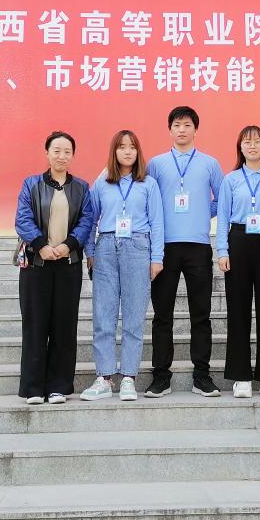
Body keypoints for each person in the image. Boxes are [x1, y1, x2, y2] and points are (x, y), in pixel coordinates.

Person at [145, 105, 224, 397]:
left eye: (187, 125)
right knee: (162, 315)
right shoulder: (156, 164)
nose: (182, 129)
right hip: (164, 247)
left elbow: (223, 199)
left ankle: (201, 376)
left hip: (198, 246)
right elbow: (146, 199)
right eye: (177, 125)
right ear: (169, 130)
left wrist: (203, 211)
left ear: (195, 130)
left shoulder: (210, 163)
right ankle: (160, 377)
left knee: (200, 315)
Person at [82, 130, 164, 402]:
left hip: (138, 247)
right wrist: (90, 251)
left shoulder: (148, 183)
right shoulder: (102, 182)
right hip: (106, 247)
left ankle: (128, 377)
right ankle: (104, 378)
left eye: (132, 147)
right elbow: (90, 219)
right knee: (103, 316)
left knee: (133, 317)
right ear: (114, 151)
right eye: (121, 147)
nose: (127, 152)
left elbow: (157, 222)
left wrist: (157, 258)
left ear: (138, 152)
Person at [14, 131, 95, 405]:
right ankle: (33, 388)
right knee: (35, 325)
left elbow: (87, 220)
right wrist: (41, 246)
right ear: (47, 153)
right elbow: (23, 218)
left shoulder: (81, 187)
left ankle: (59, 387)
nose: (62, 156)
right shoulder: (31, 184)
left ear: (73, 156)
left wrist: (68, 245)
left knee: (64, 325)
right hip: (36, 265)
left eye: (67, 151)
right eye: (57, 151)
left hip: (67, 264)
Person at [216, 125, 260, 399]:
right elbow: (223, 216)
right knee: (238, 311)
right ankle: (241, 376)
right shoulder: (231, 179)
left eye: (257, 141)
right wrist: (222, 250)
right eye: (247, 142)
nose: (252, 146)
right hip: (239, 241)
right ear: (240, 147)